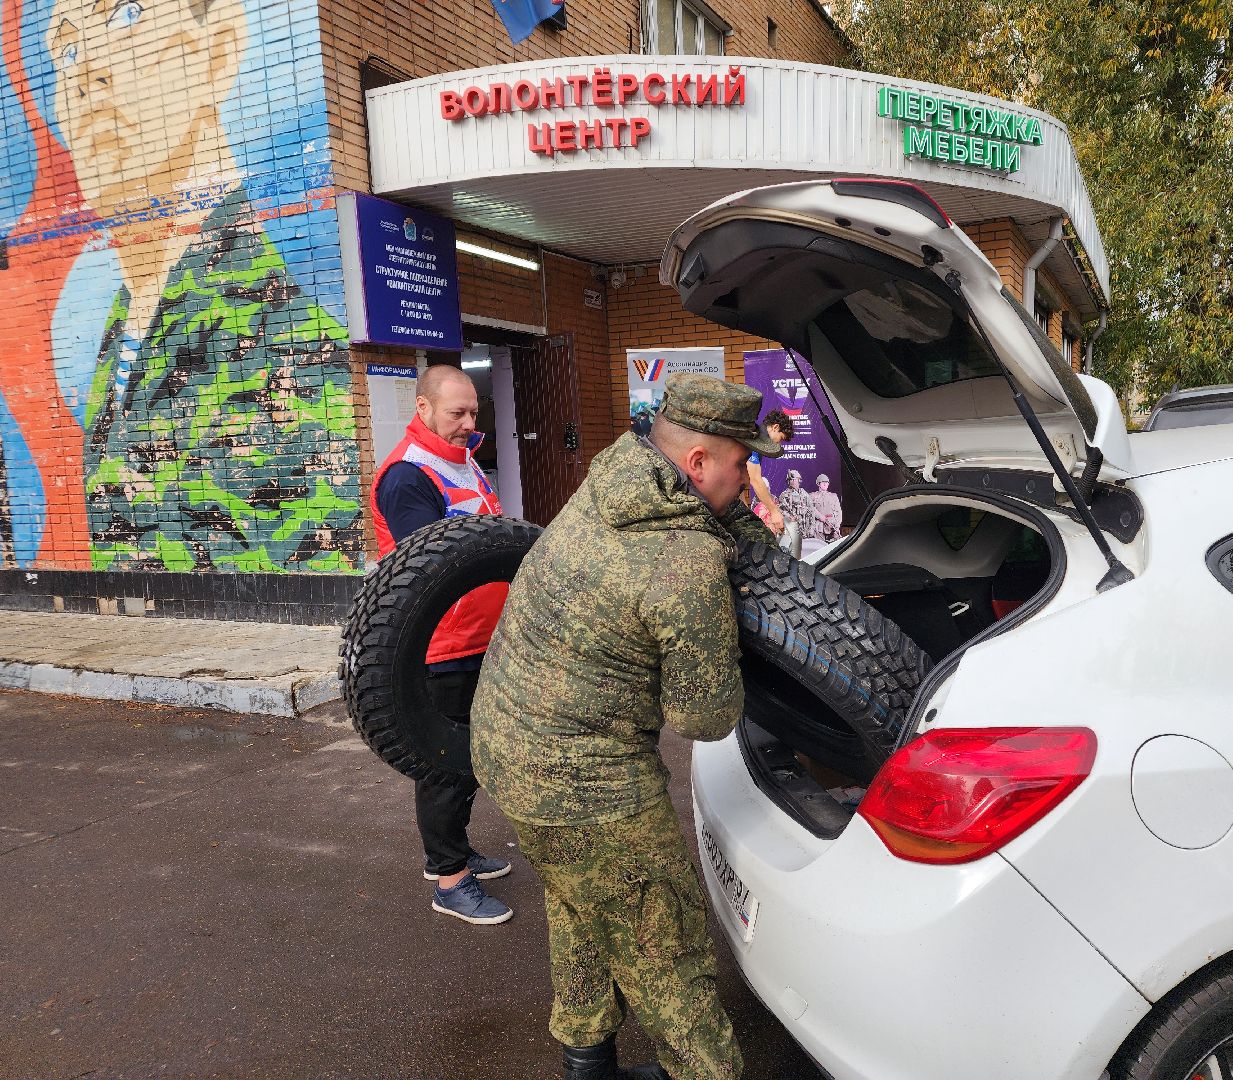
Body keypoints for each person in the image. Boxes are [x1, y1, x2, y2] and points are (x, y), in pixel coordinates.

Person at [471, 372, 780, 1080]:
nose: (749, 474)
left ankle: (588, 1063)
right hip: (587, 785)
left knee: (581, 900)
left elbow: (697, 513)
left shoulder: (612, 482)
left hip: (507, 748)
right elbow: (703, 717)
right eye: (742, 462)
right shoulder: (685, 562)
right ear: (699, 463)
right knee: (663, 940)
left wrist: (729, 523)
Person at [47, 0, 362, 572]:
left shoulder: (288, 343)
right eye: (66, 48)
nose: (87, 70)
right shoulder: (123, 336)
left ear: (219, 49)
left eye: (128, 16)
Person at [372, 364, 513, 926]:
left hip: (482, 639)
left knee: (469, 756)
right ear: (424, 409)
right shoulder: (408, 477)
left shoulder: (463, 461)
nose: (468, 423)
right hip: (444, 646)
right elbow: (429, 566)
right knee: (444, 762)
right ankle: (449, 877)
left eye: (474, 412)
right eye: (457, 413)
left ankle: (455, 850)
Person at [744, 409, 794, 536]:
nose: (779, 443)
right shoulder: (755, 439)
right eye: (781, 438)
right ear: (775, 427)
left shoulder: (756, 438)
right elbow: (755, 479)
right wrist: (774, 511)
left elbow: (743, 480)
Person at [776, 469, 813, 557]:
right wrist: (788, 516)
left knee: (804, 554)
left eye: (794, 479)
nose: (792, 481)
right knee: (791, 553)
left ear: (799, 480)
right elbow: (779, 510)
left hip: (804, 530)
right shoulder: (784, 495)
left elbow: (811, 511)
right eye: (790, 480)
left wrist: (811, 527)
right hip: (790, 530)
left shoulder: (805, 494)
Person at [809, 474, 842, 543]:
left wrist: (837, 526)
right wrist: (820, 516)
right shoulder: (812, 496)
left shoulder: (833, 496)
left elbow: (838, 512)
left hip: (831, 525)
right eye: (823, 482)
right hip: (818, 526)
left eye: (827, 482)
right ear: (818, 484)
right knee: (819, 546)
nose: (825, 484)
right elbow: (810, 508)